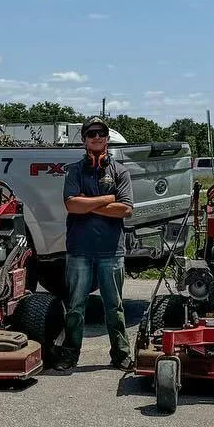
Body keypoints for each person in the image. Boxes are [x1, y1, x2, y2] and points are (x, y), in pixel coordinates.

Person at [55, 115, 135, 370]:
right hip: (79, 250)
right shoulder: (75, 171)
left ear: (107, 138)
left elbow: (125, 210)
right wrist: (106, 199)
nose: (97, 137)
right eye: (92, 134)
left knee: (114, 307)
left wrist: (89, 204)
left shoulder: (120, 171)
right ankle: (70, 353)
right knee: (76, 307)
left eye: (101, 133)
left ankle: (121, 354)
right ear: (84, 139)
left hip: (111, 251)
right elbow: (71, 204)